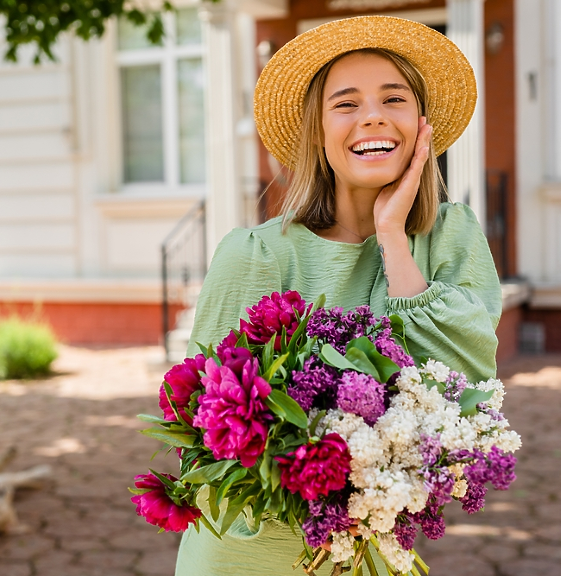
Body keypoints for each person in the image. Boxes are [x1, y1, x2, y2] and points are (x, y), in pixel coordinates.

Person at [174, 15, 501, 576]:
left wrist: (394, 237)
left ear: (420, 125)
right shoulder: (257, 256)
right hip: (248, 555)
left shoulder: (450, 240)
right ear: (318, 133)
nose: (372, 115)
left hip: (373, 558)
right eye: (346, 103)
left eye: (393, 98)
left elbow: (466, 386)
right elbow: (199, 429)